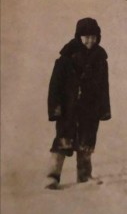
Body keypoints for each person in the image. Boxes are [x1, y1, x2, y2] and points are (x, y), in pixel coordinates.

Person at [46, 17, 111, 189]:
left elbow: (104, 87)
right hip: (68, 108)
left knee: (86, 142)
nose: (90, 40)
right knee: (63, 140)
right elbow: (55, 86)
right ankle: (52, 176)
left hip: (90, 110)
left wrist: (104, 109)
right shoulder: (66, 58)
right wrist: (55, 108)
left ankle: (84, 175)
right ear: (78, 37)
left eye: (93, 37)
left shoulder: (100, 60)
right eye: (86, 37)